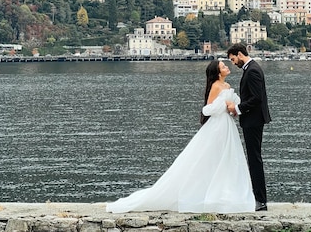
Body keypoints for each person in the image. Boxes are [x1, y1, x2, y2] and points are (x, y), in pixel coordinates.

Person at [106, 59, 255, 214]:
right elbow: (207, 109)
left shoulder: (227, 86)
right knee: (212, 157)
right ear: (217, 72)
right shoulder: (216, 86)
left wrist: (232, 108)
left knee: (227, 158)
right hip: (218, 126)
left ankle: (223, 193)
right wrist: (223, 105)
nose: (226, 67)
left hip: (227, 125)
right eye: (223, 66)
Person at [226, 43, 271, 212]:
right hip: (252, 119)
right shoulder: (251, 68)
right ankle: (258, 198)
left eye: (233, 59)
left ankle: (260, 200)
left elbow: (256, 98)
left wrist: (237, 109)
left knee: (254, 159)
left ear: (239, 54)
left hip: (253, 120)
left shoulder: (252, 70)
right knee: (254, 158)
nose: (233, 63)